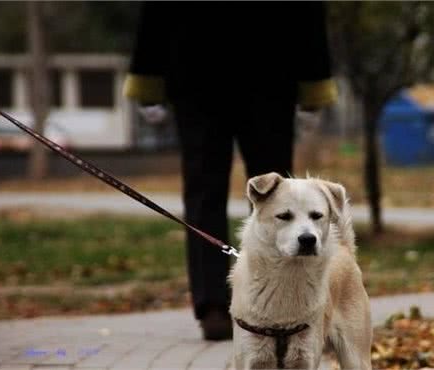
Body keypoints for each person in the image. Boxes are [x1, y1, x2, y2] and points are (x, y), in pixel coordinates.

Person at [123, 2, 337, 340]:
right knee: (272, 196)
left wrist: (149, 78)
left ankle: (219, 305)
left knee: (213, 194)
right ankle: (264, 302)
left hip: (200, 66)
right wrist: (313, 85)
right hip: (267, 68)